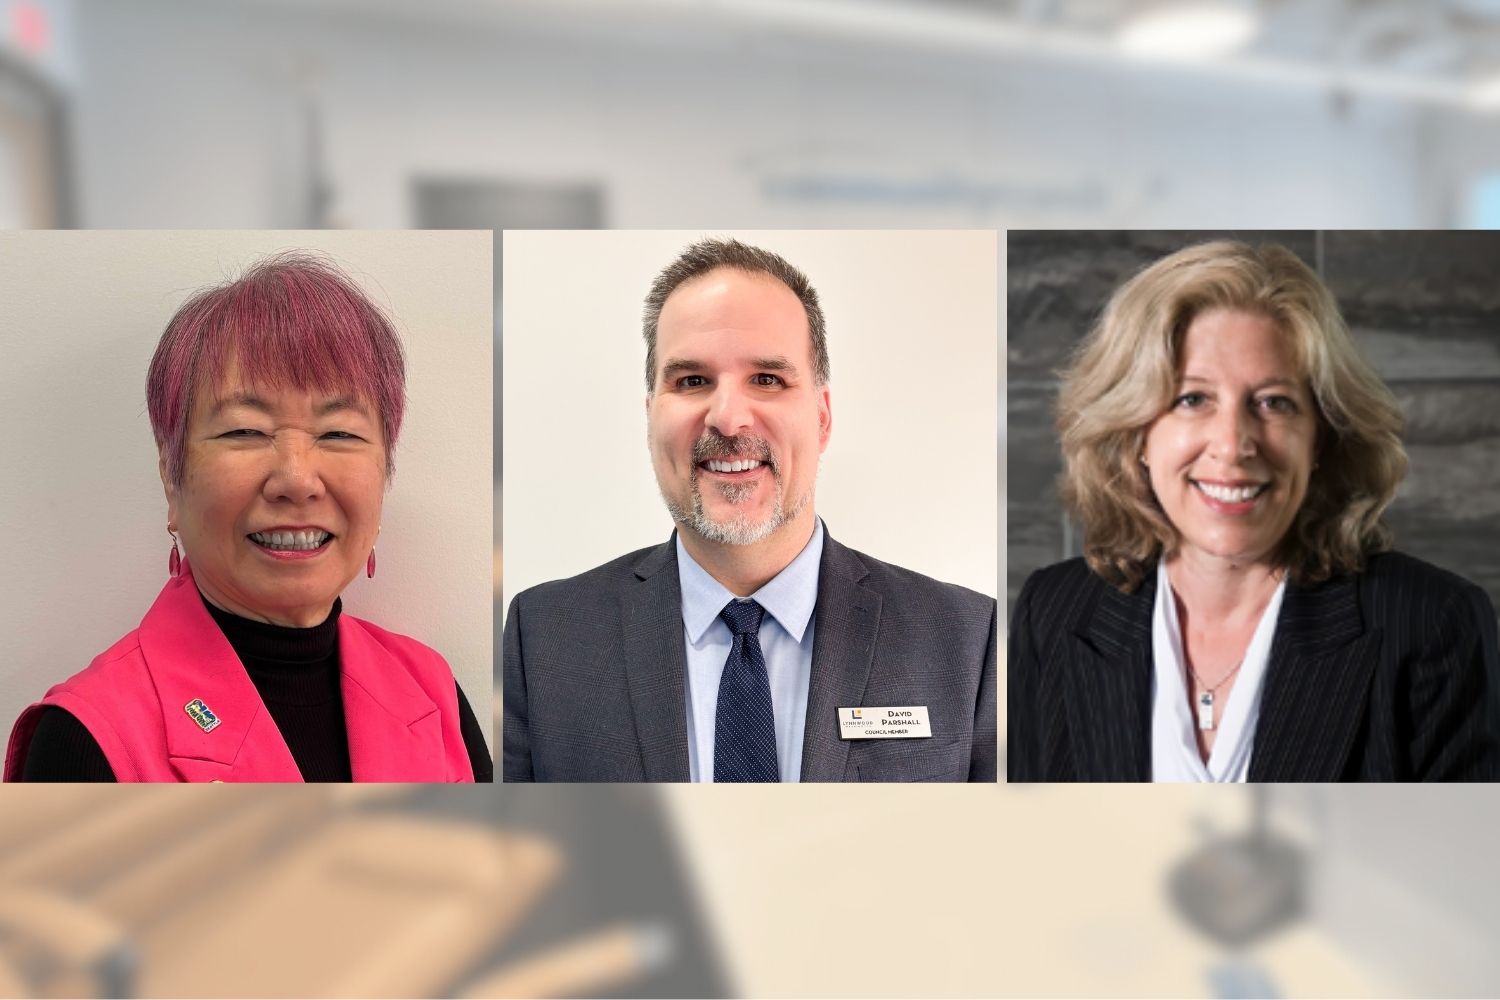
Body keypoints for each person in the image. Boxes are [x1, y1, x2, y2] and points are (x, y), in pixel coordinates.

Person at [503, 237, 996, 782]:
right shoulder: (543, 639)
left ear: (822, 416)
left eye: (767, 379)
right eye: (692, 381)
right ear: (651, 419)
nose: (729, 417)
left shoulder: (970, 642)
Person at [1008, 240, 1500, 782]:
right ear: (1137, 434)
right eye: (1192, 399)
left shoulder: (1433, 623)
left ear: (1320, 438)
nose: (1234, 444)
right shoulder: (1053, 613)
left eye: (1273, 402)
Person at [5, 253, 491, 782]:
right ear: (172, 475)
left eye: (339, 434)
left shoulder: (432, 691)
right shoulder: (85, 739)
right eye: (246, 431)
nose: (297, 479)